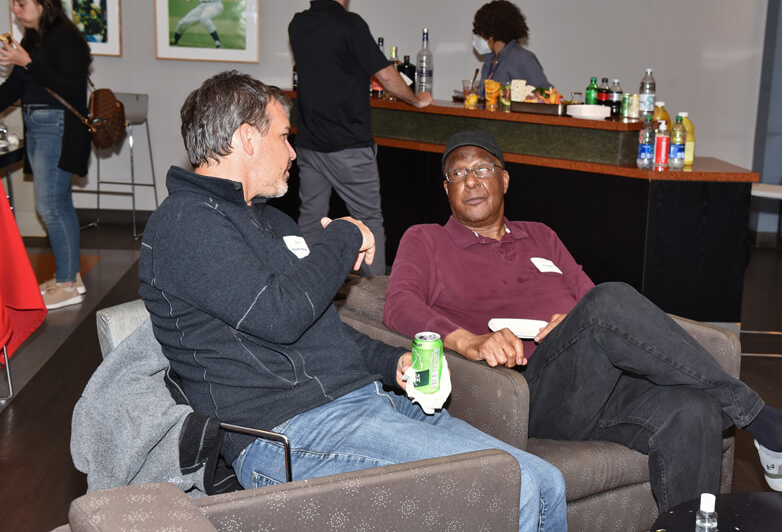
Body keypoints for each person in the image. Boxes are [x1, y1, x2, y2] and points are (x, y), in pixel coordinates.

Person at [383, 130, 782, 513]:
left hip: (594, 383)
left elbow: (589, 302)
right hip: (521, 393)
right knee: (608, 303)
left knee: (694, 408)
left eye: (481, 168)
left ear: (504, 179)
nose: (470, 181)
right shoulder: (426, 240)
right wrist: (468, 340)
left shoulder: (540, 236)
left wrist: (571, 319)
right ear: (447, 190)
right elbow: (398, 304)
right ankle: (772, 430)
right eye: (456, 174)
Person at [138, 72, 567, 531]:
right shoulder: (185, 224)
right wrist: (343, 235)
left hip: (364, 407)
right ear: (247, 138)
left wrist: (395, 363)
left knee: (546, 481)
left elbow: (321, 327)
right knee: (512, 487)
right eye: (283, 137)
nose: (293, 152)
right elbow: (280, 315)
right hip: (288, 434)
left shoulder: (273, 224)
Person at [288, 0, 432, 277]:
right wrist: (415, 100)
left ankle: (305, 288)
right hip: (349, 146)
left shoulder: (297, 25)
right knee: (369, 223)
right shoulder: (351, 25)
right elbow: (386, 75)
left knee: (310, 221)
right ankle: (376, 298)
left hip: (309, 144)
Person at [0, 0, 91, 309]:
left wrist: (27, 62)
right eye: (13, 3)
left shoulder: (65, 37)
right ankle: (70, 276)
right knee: (59, 204)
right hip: (40, 126)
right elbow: (15, 89)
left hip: (57, 127)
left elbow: (71, 87)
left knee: (50, 207)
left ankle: (67, 283)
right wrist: (24, 63)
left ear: (44, 2)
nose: (15, 9)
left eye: (21, 3)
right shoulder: (34, 39)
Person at [472, 0, 550, 91]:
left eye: (480, 34)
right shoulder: (488, 63)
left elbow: (545, 93)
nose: (479, 37)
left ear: (491, 35)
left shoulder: (523, 58)